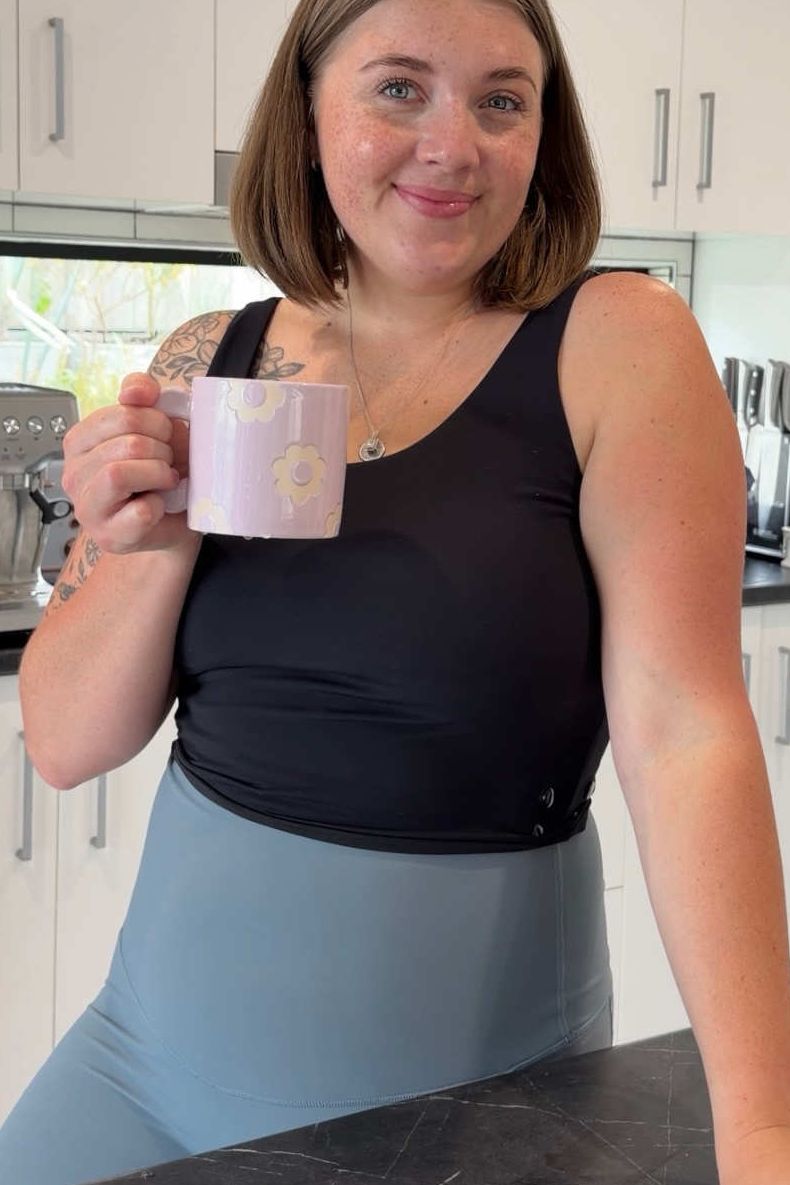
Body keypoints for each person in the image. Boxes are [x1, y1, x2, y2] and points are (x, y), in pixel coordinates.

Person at [1, 0, 789, 1182]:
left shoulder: (618, 341)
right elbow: (62, 742)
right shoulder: (210, 358)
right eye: (398, 88)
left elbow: (684, 734)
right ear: (309, 114)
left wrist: (763, 1133)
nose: (452, 143)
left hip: (469, 1103)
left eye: (501, 100)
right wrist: (148, 540)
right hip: (141, 1067)